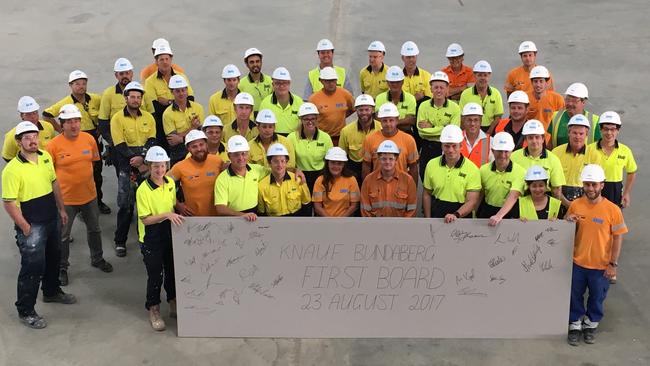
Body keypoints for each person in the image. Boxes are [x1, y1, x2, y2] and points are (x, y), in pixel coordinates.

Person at [2, 121, 76, 329]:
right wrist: (25, 227)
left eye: (35, 136)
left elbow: (54, 183)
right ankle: (26, 310)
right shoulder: (12, 170)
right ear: (18, 142)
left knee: (54, 257)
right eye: (27, 137)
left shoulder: (44, 157)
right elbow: (9, 203)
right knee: (33, 267)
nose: (33, 140)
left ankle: (51, 291)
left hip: (51, 218)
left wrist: (61, 210)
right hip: (32, 224)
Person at [47, 104, 113, 287]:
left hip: (89, 196)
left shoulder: (89, 139)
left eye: (77, 121)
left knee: (95, 229)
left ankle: (97, 258)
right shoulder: (52, 146)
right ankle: (62, 267)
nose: (74, 125)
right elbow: (48, 174)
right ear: (62, 124)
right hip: (65, 200)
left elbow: (94, 162)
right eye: (69, 122)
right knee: (63, 235)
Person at [565, 164, 627, 346]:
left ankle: (590, 324)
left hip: (601, 266)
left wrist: (612, 265)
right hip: (578, 262)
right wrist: (568, 221)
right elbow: (566, 230)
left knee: (597, 297)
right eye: (587, 184)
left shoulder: (613, 210)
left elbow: (618, 238)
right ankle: (575, 324)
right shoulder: (576, 205)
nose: (590, 188)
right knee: (574, 295)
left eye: (594, 185)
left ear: (602, 185)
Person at [43, 70, 109, 214]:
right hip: (73, 138)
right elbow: (46, 114)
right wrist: (60, 129)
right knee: (73, 172)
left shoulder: (96, 99)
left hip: (92, 139)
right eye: (77, 84)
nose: (81, 86)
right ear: (70, 85)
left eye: (84, 83)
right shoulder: (65, 103)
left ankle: (97, 201)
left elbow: (106, 110)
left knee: (96, 173)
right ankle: (75, 204)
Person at [135, 146, 184, 331]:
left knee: (171, 270)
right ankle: (153, 308)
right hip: (151, 237)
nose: (159, 170)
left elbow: (172, 203)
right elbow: (146, 219)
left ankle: (173, 301)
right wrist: (167, 215)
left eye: (163, 166)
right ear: (148, 166)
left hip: (170, 233)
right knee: (155, 275)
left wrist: (179, 208)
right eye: (156, 166)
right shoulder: (143, 190)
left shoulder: (170, 183)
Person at [110, 81, 157, 257]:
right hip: (126, 165)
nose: (136, 100)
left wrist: (143, 159)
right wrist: (135, 160)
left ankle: (144, 238)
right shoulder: (117, 119)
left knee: (146, 205)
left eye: (138, 97)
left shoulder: (148, 118)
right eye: (132, 97)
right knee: (126, 205)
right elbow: (119, 144)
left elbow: (152, 140)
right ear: (126, 98)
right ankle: (120, 241)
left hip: (145, 164)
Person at [99, 58, 154, 178]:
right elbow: (103, 124)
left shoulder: (144, 92)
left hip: (143, 147)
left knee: (145, 182)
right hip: (119, 147)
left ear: (132, 73)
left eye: (127, 73)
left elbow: (152, 118)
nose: (125, 76)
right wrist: (114, 144)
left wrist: (144, 154)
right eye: (121, 73)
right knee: (124, 183)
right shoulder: (108, 94)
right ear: (116, 75)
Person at [422, 124, 481, 222]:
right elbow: (426, 194)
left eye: (454, 146)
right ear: (442, 146)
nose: (450, 150)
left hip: (462, 219)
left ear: (461, 146)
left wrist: (456, 215)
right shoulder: (431, 165)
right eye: (447, 146)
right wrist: (428, 219)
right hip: (437, 218)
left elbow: (472, 201)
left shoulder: (472, 169)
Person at [143, 44, 194, 149]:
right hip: (161, 127)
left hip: (184, 124)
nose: (165, 62)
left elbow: (190, 99)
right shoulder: (150, 82)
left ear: (171, 59)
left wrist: (168, 102)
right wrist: (178, 101)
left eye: (167, 58)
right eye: (161, 59)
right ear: (156, 62)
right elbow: (155, 108)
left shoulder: (181, 76)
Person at [169, 130, 225, 217]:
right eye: (194, 146)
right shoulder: (180, 167)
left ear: (206, 144)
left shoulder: (217, 161)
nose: (199, 149)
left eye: (201, 145)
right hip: (193, 220)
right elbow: (163, 184)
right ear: (188, 149)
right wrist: (178, 205)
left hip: (218, 217)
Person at [416, 71, 461, 179]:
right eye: (436, 87)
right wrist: (445, 129)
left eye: (442, 87)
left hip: (446, 148)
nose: (439, 90)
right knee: (425, 176)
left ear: (447, 89)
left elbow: (453, 132)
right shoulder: (423, 106)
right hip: (427, 147)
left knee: (444, 178)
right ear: (431, 89)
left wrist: (431, 127)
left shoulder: (455, 108)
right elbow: (421, 132)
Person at [214, 136, 269, 221]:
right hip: (233, 218)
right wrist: (242, 215)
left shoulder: (257, 170)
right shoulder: (222, 179)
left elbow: (276, 171)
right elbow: (220, 208)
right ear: (229, 156)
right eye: (236, 154)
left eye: (244, 153)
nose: (241, 158)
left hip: (254, 216)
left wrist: (295, 170)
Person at [362, 103, 419, 184]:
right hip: (378, 186)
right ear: (380, 121)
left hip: (401, 186)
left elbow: (413, 167)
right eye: (385, 120)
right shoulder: (369, 139)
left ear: (397, 120)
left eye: (391, 120)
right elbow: (366, 165)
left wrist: (413, 190)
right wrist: (366, 186)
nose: (388, 124)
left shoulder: (408, 140)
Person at [552, 114, 601, 207]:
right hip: (558, 199)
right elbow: (553, 184)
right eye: (574, 133)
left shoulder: (595, 155)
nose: (577, 136)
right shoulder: (556, 152)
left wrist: (577, 205)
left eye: (581, 134)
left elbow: (595, 185)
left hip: (585, 201)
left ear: (586, 134)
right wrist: (566, 203)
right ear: (568, 133)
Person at [510, 120, 565, 201]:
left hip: (544, 202)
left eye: (537, 137)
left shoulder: (553, 159)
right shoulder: (514, 157)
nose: (534, 141)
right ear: (526, 139)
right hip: (519, 200)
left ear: (542, 139)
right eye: (530, 138)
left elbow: (556, 190)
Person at [591, 111, 637, 208]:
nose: (609, 133)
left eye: (613, 129)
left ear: (618, 130)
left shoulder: (625, 150)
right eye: (606, 129)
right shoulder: (589, 149)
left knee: (615, 222)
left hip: (615, 194)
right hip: (593, 192)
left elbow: (631, 172)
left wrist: (626, 193)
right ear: (600, 129)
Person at [360, 140, 417, 217]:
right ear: (379, 159)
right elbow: (365, 209)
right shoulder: (368, 180)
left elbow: (412, 209)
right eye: (384, 159)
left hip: (400, 226)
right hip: (375, 226)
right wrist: (372, 227)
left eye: (391, 159)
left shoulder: (408, 180)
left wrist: (403, 227)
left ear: (396, 160)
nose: (387, 162)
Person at [477, 132, 526, 221]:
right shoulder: (483, 170)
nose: (503, 155)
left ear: (512, 151)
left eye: (506, 151)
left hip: (511, 213)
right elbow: (480, 194)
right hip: (487, 211)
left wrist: (499, 216)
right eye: (499, 151)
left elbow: (514, 196)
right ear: (492, 151)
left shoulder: (520, 171)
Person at [287, 103, 333, 191]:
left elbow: (329, 161)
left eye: (313, 118)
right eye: (306, 119)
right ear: (301, 119)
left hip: (321, 176)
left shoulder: (325, 137)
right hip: (300, 176)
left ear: (317, 119)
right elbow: (289, 161)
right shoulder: (291, 137)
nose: (310, 121)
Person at [257, 143, 311, 216]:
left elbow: (306, 204)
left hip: (296, 220)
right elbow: (262, 213)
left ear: (286, 162)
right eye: (276, 161)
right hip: (274, 223)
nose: (280, 165)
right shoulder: (261, 186)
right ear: (270, 163)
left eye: (282, 161)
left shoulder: (298, 180)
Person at [162, 75, 205, 165]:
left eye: (183, 90)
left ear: (187, 90)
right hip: (178, 154)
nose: (181, 93)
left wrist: (180, 138)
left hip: (197, 150)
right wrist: (192, 128)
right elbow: (173, 141)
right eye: (177, 91)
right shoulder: (167, 114)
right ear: (172, 92)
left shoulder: (198, 108)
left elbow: (202, 134)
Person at [338, 94, 381, 182]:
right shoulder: (346, 131)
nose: (364, 113)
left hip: (377, 168)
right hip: (354, 170)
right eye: (360, 110)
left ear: (372, 110)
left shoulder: (381, 128)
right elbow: (342, 156)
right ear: (356, 110)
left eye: (367, 109)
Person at [308, 66, 355, 145]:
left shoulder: (345, 94)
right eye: (327, 81)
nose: (331, 83)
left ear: (336, 80)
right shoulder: (313, 99)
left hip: (340, 138)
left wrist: (341, 116)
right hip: (321, 138)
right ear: (321, 81)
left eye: (333, 81)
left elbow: (353, 108)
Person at [2, 96, 56, 162]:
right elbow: (8, 157)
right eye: (28, 114)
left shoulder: (48, 126)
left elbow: (53, 146)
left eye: (35, 113)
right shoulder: (11, 135)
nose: (33, 117)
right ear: (22, 116)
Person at [547, 82, 600, 148]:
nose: (570, 103)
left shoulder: (594, 121)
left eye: (574, 101)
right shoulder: (556, 117)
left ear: (583, 102)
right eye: (567, 100)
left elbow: (599, 148)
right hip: (559, 157)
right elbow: (550, 144)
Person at [459, 60, 504, 134]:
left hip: (490, 129)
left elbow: (498, 117)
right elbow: (462, 117)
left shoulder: (496, 93)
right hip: (471, 128)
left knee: (485, 145)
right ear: (474, 75)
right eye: (479, 75)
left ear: (489, 76)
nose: (482, 78)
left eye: (485, 75)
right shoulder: (465, 94)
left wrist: (488, 133)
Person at [313, 147, 360, 217]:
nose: (336, 166)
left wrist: (341, 220)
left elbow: (354, 205)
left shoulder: (352, 180)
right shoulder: (320, 181)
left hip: (345, 221)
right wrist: (330, 221)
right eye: (332, 163)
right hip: (325, 220)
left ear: (344, 164)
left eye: (339, 163)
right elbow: (317, 207)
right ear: (327, 163)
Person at [259, 67, 304, 136]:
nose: (281, 86)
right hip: (272, 140)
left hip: (293, 141)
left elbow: (303, 126)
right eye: (278, 83)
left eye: (285, 83)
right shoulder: (265, 103)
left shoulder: (299, 102)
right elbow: (261, 127)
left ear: (289, 84)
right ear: (273, 84)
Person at [374, 66, 417, 135]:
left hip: (405, 134)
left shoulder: (410, 98)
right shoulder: (380, 98)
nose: (395, 84)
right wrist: (401, 122)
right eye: (392, 82)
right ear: (387, 82)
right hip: (384, 134)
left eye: (397, 82)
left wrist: (389, 123)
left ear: (402, 82)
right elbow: (378, 119)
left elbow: (411, 121)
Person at [238, 48, 272, 114]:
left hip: (267, 121)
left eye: (257, 61)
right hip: (250, 122)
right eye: (251, 62)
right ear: (247, 64)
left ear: (261, 62)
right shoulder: (240, 84)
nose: (255, 64)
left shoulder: (271, 81)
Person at [460, 103, 493, 168]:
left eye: (476, 120)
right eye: (469, 120)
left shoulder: (490, 142)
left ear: (481, 121)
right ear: (463, 121)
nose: (472, 123)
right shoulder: (456, 139)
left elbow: (492, 168)